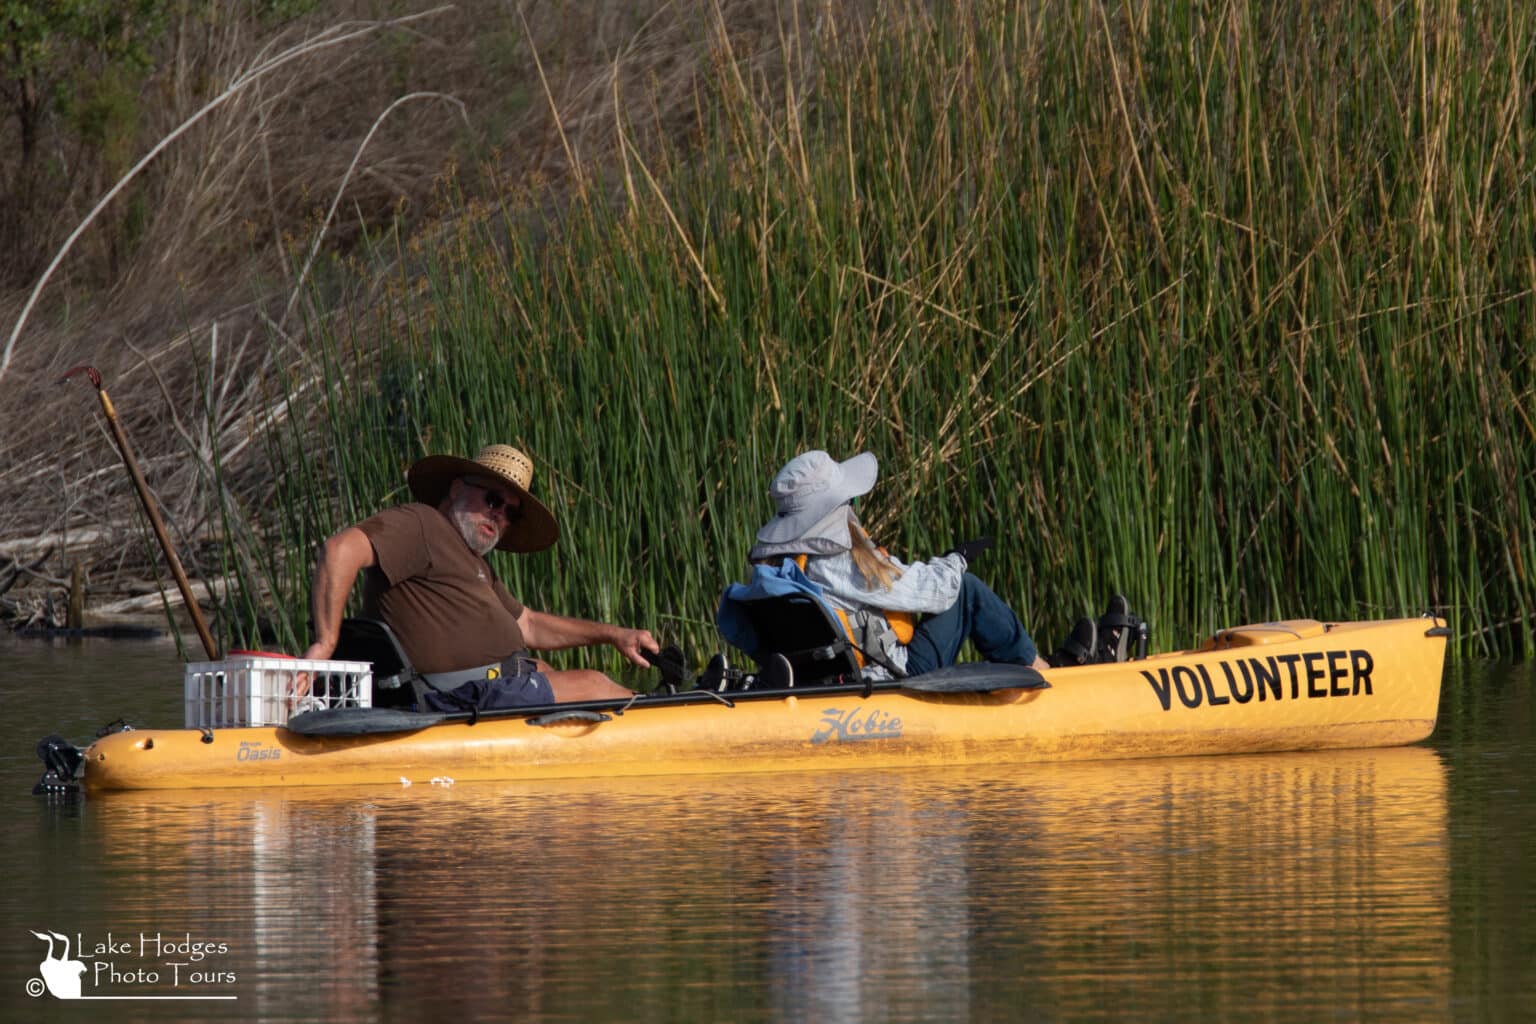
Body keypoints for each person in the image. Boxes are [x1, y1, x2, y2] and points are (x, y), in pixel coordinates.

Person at [301, 443, 657, 710]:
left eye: (510, 513)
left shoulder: (476, 563)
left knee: (553, 672)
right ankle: (667, 719)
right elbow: (339, 550)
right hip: (452, 698)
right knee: (593, 684)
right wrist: (325, 642)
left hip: (495, 688)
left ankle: (659, 711)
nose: (499, 515)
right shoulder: (422, 524)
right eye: (492, 499)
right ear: (457, 489)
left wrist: (614, 635)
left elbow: (528, 625)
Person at [731, 449, 1048, 678]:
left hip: (821, 680)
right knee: (966, 590)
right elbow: (930, 592)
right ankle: (1038, 669)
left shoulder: (775, 567)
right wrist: (957, 559)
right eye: (850, 501)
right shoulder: (841, 561)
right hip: (896, 675)